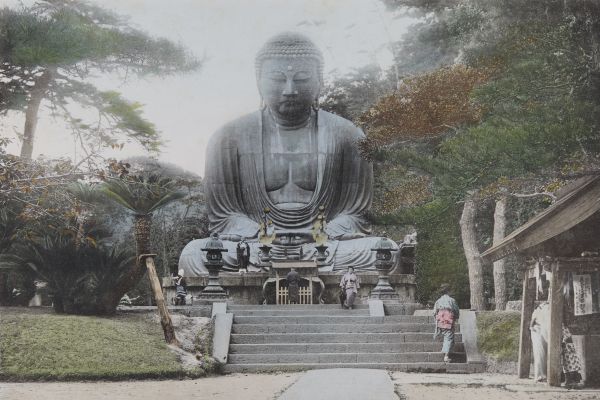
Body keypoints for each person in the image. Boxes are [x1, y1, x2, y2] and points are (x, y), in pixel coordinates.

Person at [178, 32, 400, 276]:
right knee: (193, 254)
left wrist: (322, 234)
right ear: (258, 81)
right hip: (257, 245)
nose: (290, 90)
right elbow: (224, 216)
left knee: (386, 250)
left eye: (302, 78)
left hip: (325, 245)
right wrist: (262, 235)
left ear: (320, 82)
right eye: (277, 79)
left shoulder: (349, 135)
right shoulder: (228, 137)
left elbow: (356, 213)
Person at [433, 284, 460, 363]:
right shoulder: (451, 300)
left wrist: (437, 319)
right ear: (448, 291)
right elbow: (456, 310)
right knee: (448, 336)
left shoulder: (438, 301)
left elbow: (434, 312)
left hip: (440, 319)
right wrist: (456, 317)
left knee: (446, 335)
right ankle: (446, 356)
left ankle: (446, 351)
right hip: (448, 319)